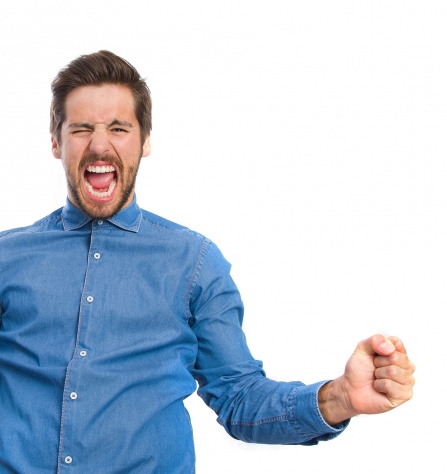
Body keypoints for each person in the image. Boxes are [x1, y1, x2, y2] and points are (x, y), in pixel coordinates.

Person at [0, 50, 415, 473]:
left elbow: (239, 398)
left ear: (144, 141)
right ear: (56, 141)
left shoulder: (193, 261)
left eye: (119, 128)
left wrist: (340, 397)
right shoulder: (6, 258)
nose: (100, 144)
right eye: (82, 128)